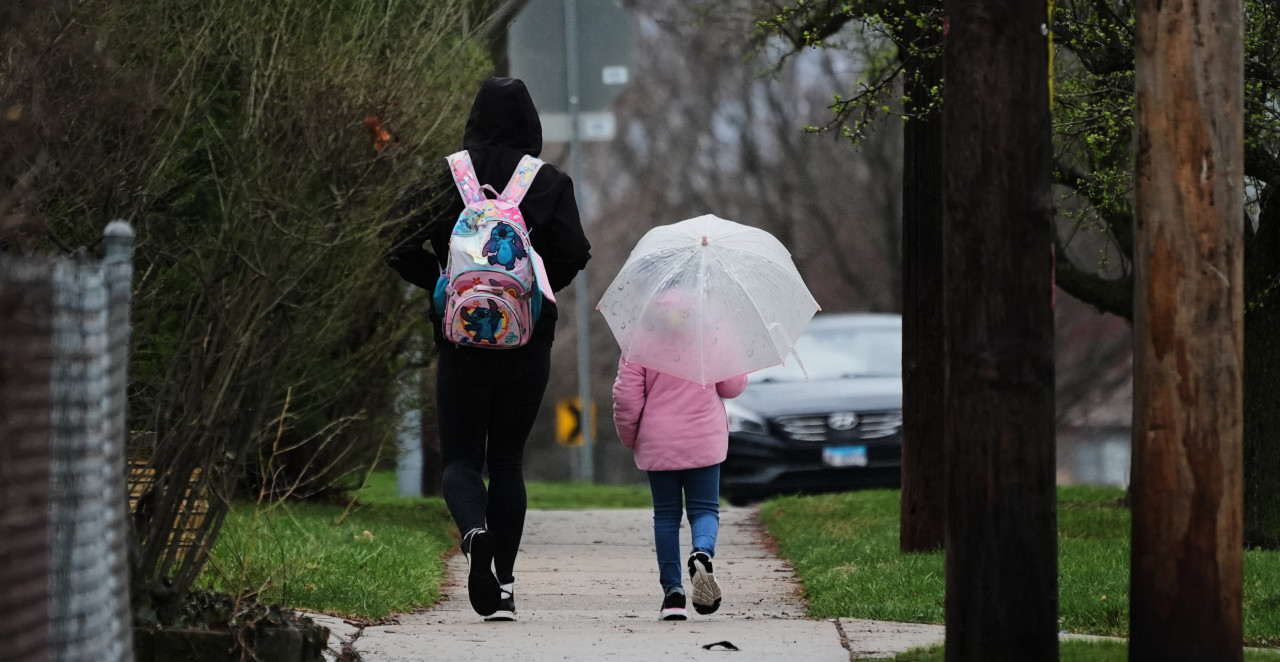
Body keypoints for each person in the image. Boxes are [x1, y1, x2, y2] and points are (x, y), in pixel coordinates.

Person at [383, 77, 591, 621]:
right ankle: (503, 586)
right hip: (528, 341)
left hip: (459, 340)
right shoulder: (547, 181)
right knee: (507, 460)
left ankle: (474, 534)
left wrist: (439, 286)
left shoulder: (446, 175)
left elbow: (395, 239)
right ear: (531, 125)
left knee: (460, 457)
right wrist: (534, 293)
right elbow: (575, 251)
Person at [612, 356, 749, 620]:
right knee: (705, 510)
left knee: (666, 516)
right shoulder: (710, 334)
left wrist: (633, 437)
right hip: (704, 436)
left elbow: (626, 398)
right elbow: (732, 387)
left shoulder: (640, 339)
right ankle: (702, 552)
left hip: (659, 436)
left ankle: (673, 595)